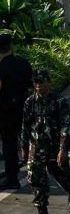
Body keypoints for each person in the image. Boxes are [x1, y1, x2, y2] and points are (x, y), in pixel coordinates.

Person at [22, 69, 70, 214]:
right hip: (37, 147)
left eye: (41, 82)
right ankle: (42, 213)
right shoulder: (29, 102)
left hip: (55, 147)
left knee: (62, 175)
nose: (38, 85)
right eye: (36, 82)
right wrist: (25, 147)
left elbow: (65, 127)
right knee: (35, 179)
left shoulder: (59, 101)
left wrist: (63, 149)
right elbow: (25, 126)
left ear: (48, 82)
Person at [0, 32, 33, 190]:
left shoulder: (1, 68)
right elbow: (30, 85)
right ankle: (34, 170)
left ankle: (11, 177)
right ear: (11, 46)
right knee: (27, 139)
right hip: (24, 107)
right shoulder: (23, 63)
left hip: (6, 110)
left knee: (9, 143)